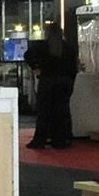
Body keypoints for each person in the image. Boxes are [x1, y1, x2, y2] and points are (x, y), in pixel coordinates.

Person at [24, 20, 80, 149]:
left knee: (44, 112)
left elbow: (27, 55)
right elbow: (73, 69)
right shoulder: (68, 48)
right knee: (62, 112)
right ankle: (61, 139)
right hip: (64, 83)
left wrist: (36, 67)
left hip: (48, 82)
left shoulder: (42, 47)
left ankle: (40, 140)